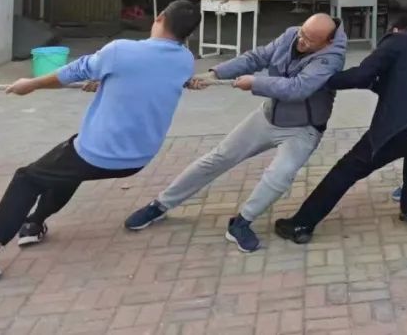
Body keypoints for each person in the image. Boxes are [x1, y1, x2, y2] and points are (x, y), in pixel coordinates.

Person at [0, 1, 200, 285]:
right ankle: (33, 225)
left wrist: (31, 84)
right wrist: (105, 81)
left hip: (99, 152)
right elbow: (144, 79)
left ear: (159, 18)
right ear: (188, 34)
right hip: (138, 159)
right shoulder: (185, 61)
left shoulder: (120, 51)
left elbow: (70, 73)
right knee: (67, 169)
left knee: (27, 178)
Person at [123, 14, 346, 253]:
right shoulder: (292, 34)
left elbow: (297, 88)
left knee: (280, 175)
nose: (301, 41)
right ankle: (160, 205)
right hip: (269, 116)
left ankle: (242, 223)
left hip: (303, 128)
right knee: (218, 157)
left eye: (309, 40)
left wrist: (255, 83)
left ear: (328, 41)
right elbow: (257, 57)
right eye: (302, 33)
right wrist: (215, 74)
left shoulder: (332, 57)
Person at [274, 17, 407, 243]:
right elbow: (399, 84)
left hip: (400, 128)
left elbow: (361, 75)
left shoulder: (396, 41)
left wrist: (320, 80)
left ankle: (301, 224)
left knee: (347, 170)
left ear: (395, 30)